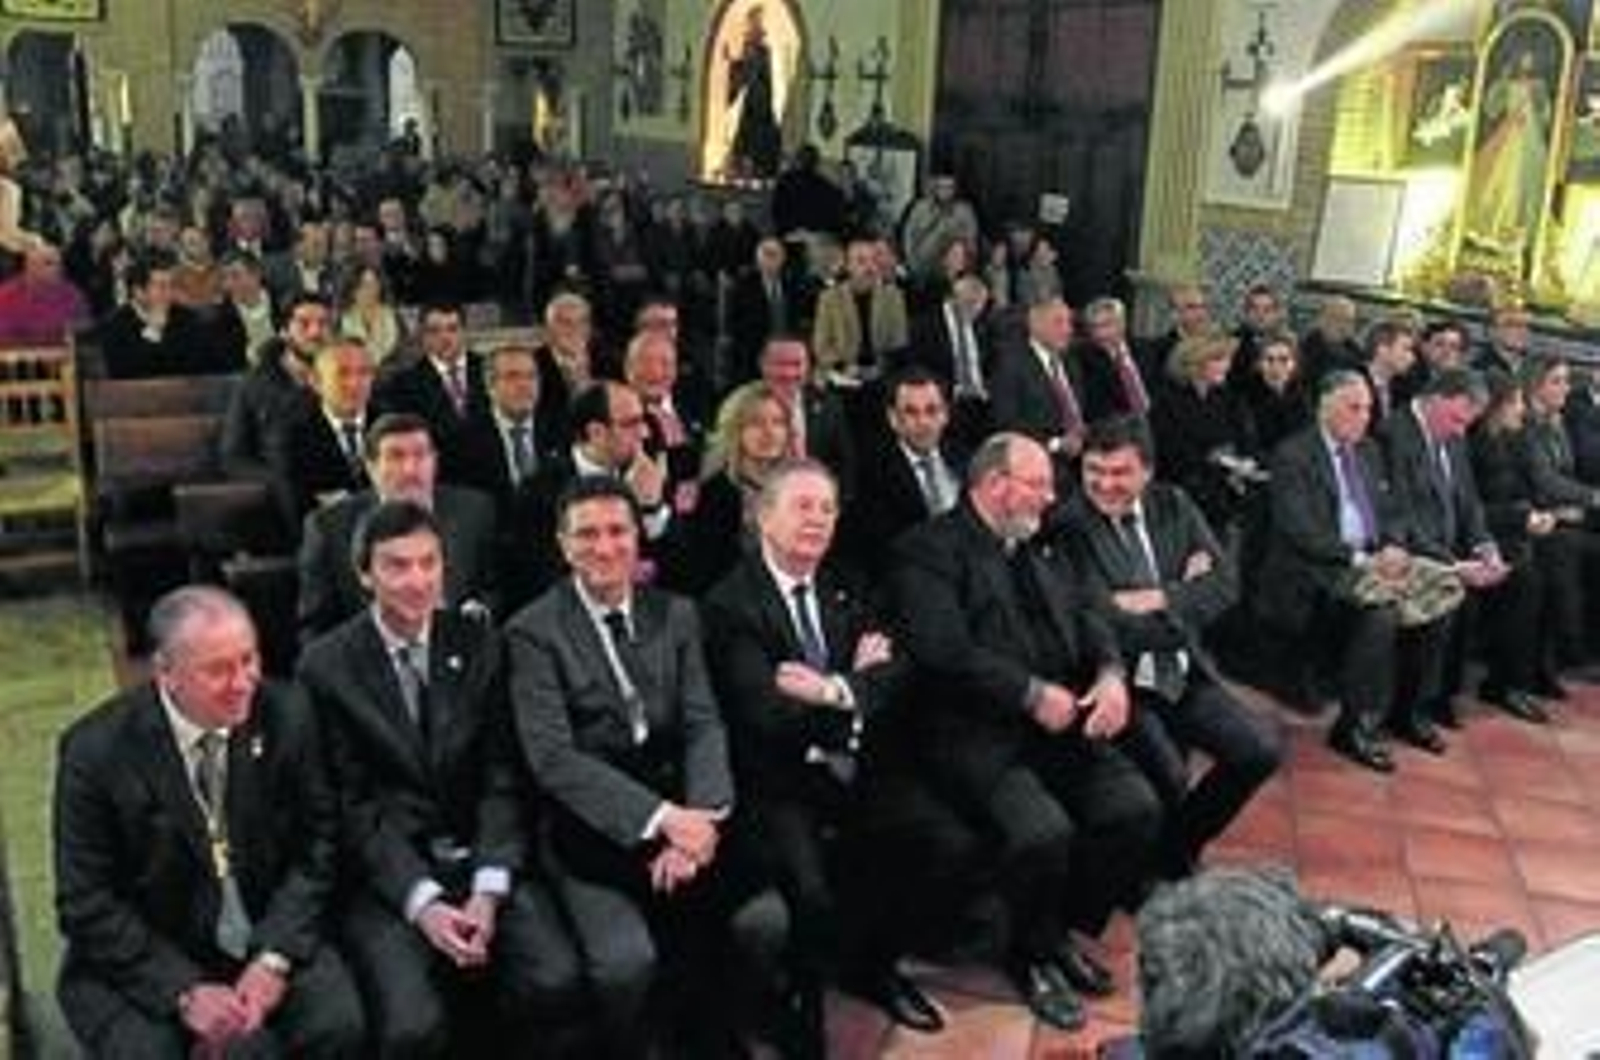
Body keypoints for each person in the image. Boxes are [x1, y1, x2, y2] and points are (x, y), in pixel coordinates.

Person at [506, 477, 804, 1057]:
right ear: (563, 546)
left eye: (618, 531)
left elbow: (702, 723)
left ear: (638, 537)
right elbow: (554, 760)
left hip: (684, 801)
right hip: (597, 818)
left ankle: (720, 1028)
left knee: (760, 909)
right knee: (640, 950)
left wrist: (702, 819)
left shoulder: (677, 614)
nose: (605, 547)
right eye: (586, 535)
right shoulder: (531, 632)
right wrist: (662, 820)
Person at [888, 432, 1162, 1032]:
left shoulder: (1046, 542)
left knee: (1135, 809)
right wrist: (1030, 694)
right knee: (1043, 832)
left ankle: (1057, 929)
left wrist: (1112, 675)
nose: (1049, 495)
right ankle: (1029, 955)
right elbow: (944, 652)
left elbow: (1093, 615)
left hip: (1063, 722)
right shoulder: (927, 550)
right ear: (993, 485)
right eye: (1036, 483)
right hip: (974, 733)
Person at [703, 460, 984, 1035]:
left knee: (945, 841)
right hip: (779, 779)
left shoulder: (849, 580)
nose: (818, 520)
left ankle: (875, 966)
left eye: (827, 508)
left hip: (859, 760)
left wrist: (833, 688)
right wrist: (857, 694)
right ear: (764, 517)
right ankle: (800, 1010)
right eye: (803, 506)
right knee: (809, 891)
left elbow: (900, 669)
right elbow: (766, 714)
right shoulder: (729, 603)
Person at [297, 501, 582, 1056]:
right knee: (411, 1026)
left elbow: (503, 778)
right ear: (364, 575)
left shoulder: (479, 643)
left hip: (482, 859)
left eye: (429, 563)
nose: (417, 580)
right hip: (390, 877)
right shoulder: (326, 666)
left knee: (556, 980)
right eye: (397, 566)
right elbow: (352, 807)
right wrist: (423, 903)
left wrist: (487, 889)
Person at [54, 587, 364, 1057]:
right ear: (166, 672)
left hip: (266, 930)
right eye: (218, 669)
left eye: (249, 659)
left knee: (338, 1026)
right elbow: (85, 902)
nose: (242, 682)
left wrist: (274, 957)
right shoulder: (95, 752)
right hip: (146, 956)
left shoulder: (288, 715)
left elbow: (318, 846)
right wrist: (184, 990)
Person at [1057, 417, 1283, 878]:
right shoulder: (1068, 526)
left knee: (1258, 751)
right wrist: (1184, 593)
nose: (1103, 484)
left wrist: (1159, 598)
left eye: (1119, 472)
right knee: (1170, 776)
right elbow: (1101, 619)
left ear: (1147, 471)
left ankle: (1172, 851)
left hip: (1184, 671)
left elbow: (1225, 585)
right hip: (1120, 678)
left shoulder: (1174, 505)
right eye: (1093, 471)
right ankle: (1156, 867)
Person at [1256, 372, 1464, 772]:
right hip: (1317, 568)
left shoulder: (1369, 450)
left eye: (1368, 407)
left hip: (1373, 558)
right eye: (1354, 407)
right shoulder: (1293, 454)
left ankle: (1407, 711)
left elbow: (1394, 512)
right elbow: (1301, 532)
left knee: (1443, 593)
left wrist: (1394, 545)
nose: (1364, 416)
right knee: (1381, 612)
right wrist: (1362, 560)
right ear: (1325, 406)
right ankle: (1355, 725)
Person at [297, 413, 498, 640]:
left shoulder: (475, 510)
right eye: (396, 457)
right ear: (371, 467)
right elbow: (315, 627)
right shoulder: (329, 527)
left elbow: (491, 586)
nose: (410, 470)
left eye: (420, 455)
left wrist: (480, 610)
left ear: (435, 461)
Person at [1467, 49, 1551, 253]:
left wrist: (1532, 113)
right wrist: (1503, 84)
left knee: (1525, 174)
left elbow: (1544, 112)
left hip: (1529, 132)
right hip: (1508, 129)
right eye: (1523, 58)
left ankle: (1517, 227)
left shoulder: (1539, 85)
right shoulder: (1507, 83)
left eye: (1530, 60)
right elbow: (1491, 107)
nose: (1526, 62)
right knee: (1500, 173)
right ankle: (1495, 222)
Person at [724, 5, 784, 179]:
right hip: (753, 102)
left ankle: (757, 169)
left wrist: (742, 65)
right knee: (746, 137)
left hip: (761, 101)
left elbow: (755, 72)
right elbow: (744, 71)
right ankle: (744, 168)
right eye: (751, 24)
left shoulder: (764, 51)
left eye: (755, 24)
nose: (751, 30)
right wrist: (733, 62)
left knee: (761, 138)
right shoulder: (749, 48)